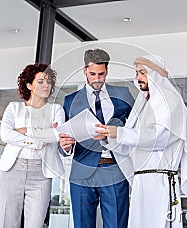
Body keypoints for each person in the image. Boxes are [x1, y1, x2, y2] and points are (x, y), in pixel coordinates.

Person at [95, 55, 187, 228]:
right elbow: (131, 146)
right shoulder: (142, 104)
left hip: (159, 181)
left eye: (142, 72)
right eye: (136, 72)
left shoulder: (172, 102)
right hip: (140, 182)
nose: (137, 77)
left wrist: (119, 132)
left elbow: (159, 138)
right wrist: (108, 137)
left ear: (155, 74)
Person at [59, 48, 134, 228]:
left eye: (101, 74)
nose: (97, 79)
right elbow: (62, 141)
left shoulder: (123, 95)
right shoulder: (70, 100)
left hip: (115, 170)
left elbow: (136, 130)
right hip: (82, 173)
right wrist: (65, 146)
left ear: (107, 71)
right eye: (92, 74)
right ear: (85, 70)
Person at [0, 63, 65, 228]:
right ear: (29, 85)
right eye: (41, 81)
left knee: (35, 224)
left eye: (49, 82)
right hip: (12, 169)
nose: (46, 85)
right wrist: (40, 139)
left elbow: (57, 135)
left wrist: (25, 130)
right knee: (7, 222)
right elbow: (6, 135)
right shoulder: (14, 108)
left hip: (41, 173)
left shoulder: (56, 110)